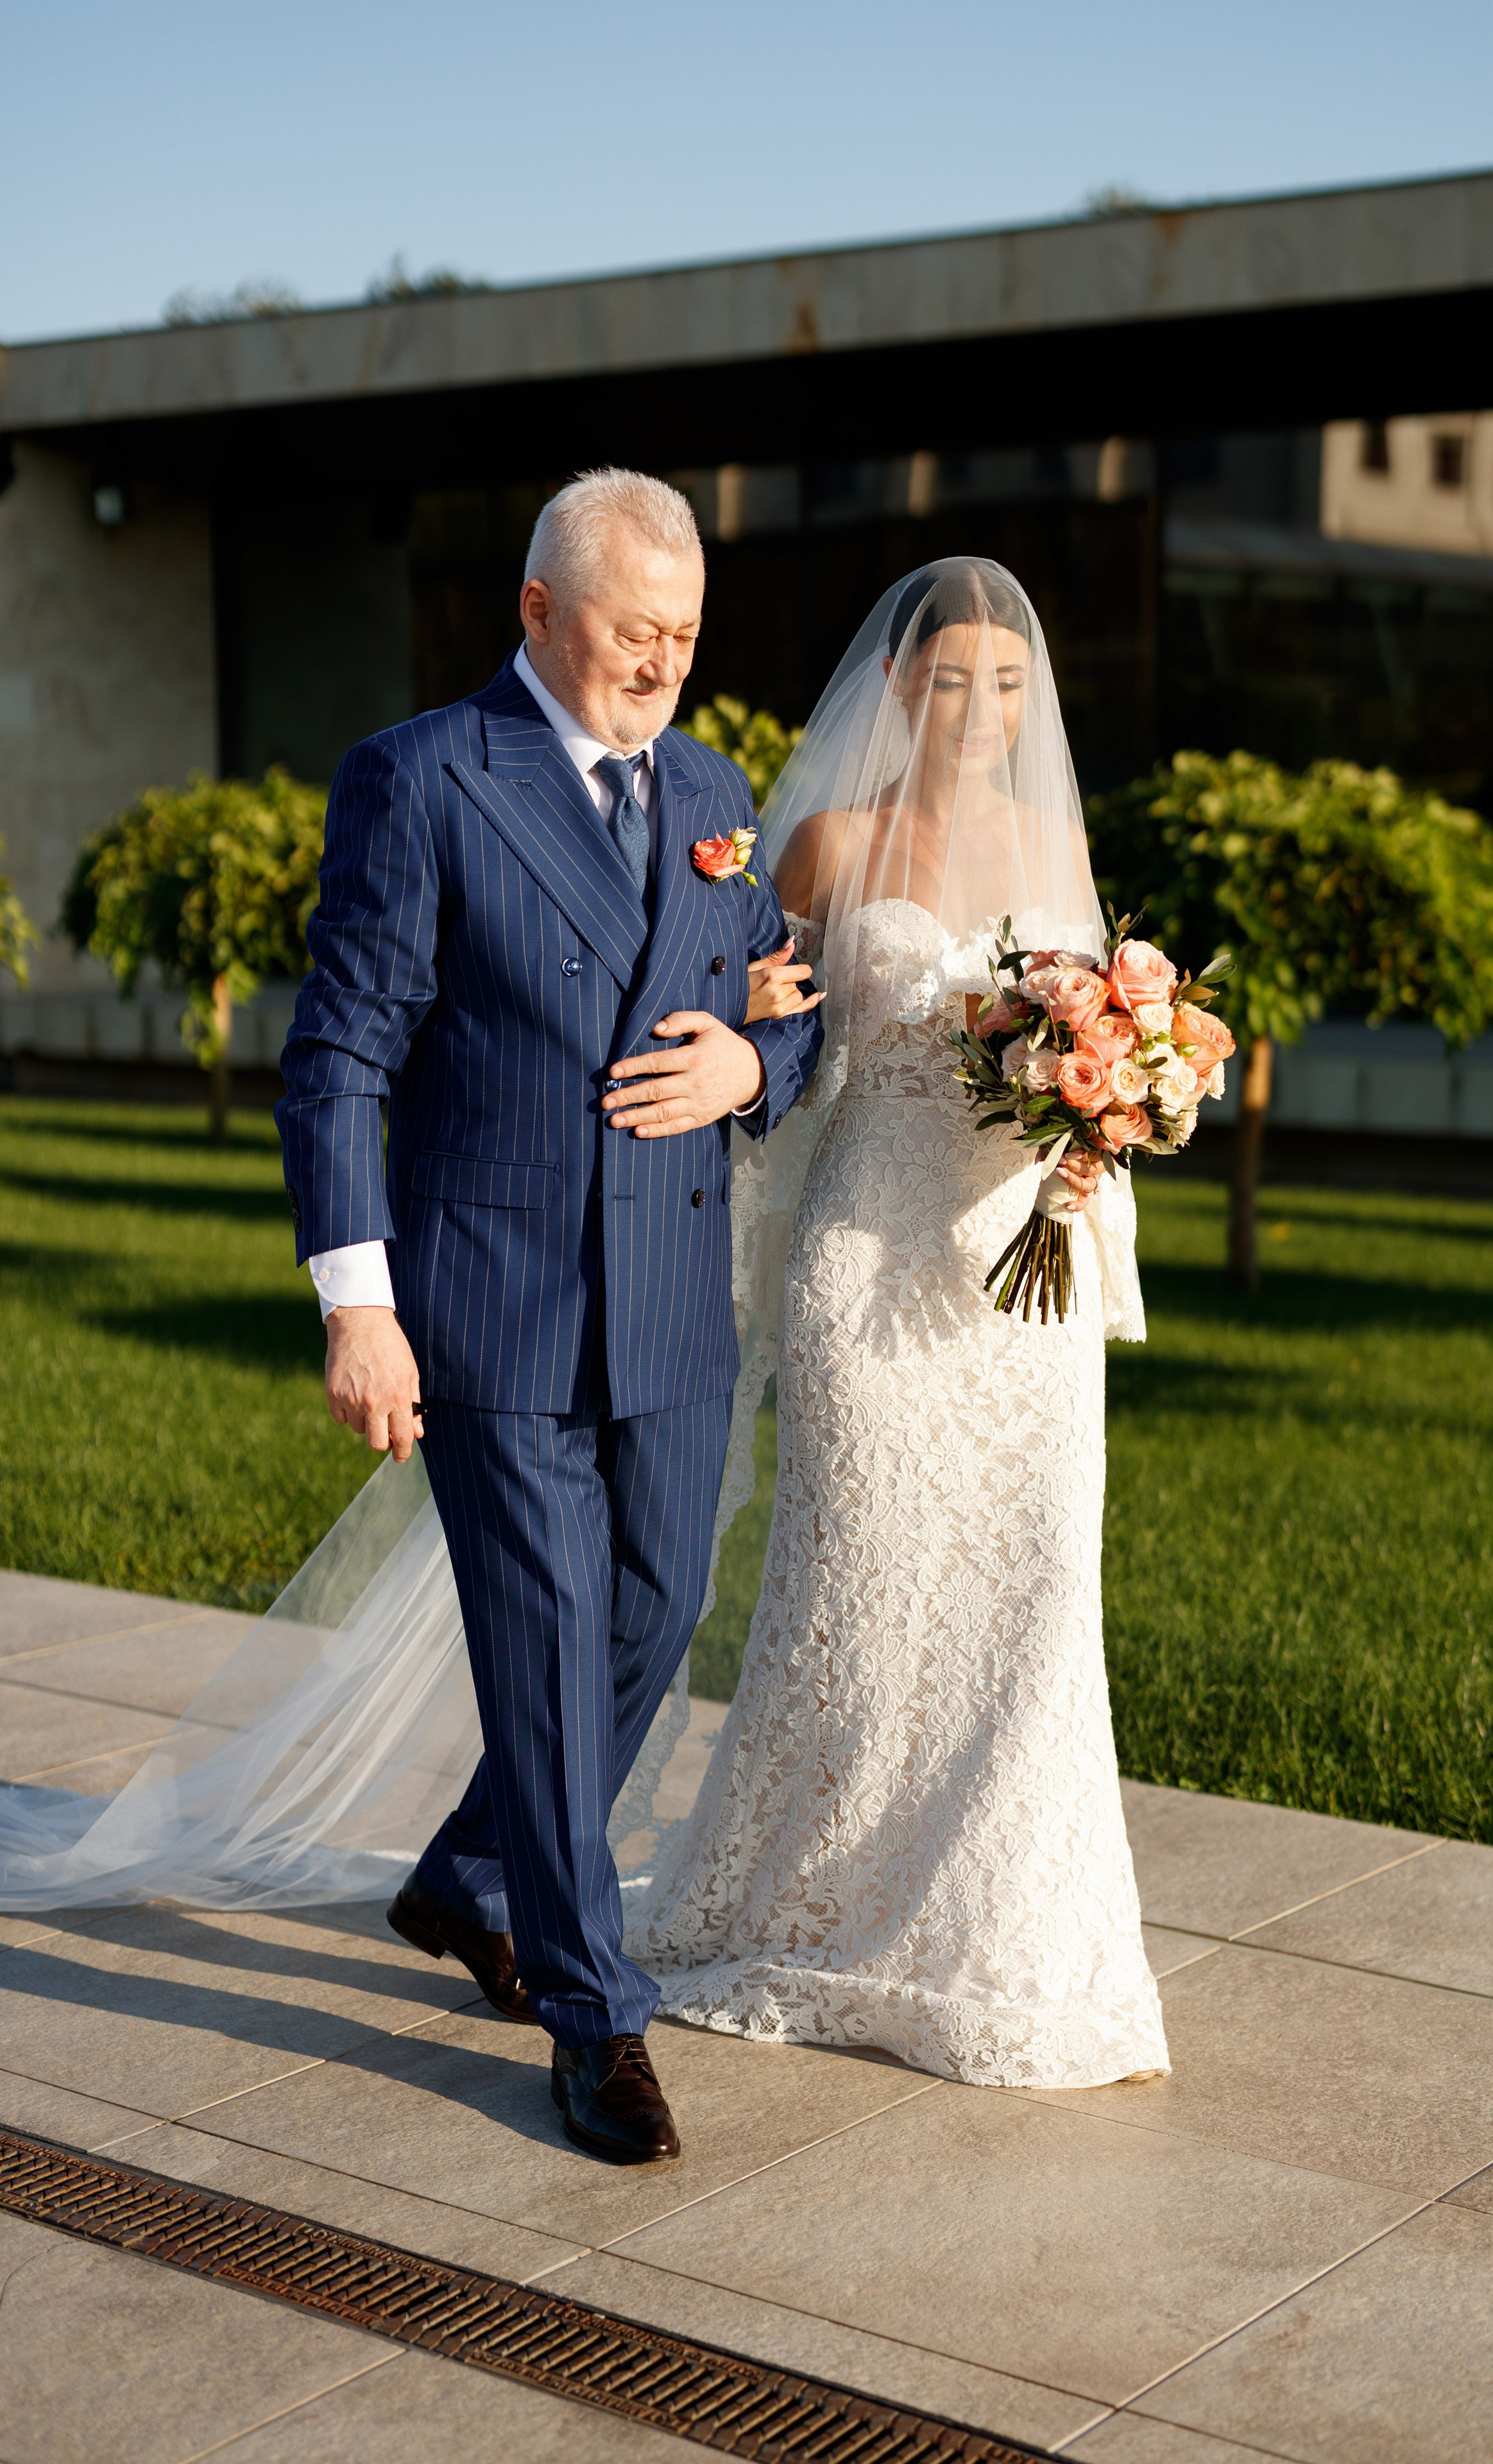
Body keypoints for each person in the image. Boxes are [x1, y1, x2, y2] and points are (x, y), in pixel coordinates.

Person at [277, 468, 824, 2163]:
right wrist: (358, 1308)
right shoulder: (427, 779)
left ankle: (462, 1872)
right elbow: (338, 1058)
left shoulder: (717, 786)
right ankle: (593, 2017)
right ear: (537, 614)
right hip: (494, 1305)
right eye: (633, 628)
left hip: (670, 1300)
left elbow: (780, 994)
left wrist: (753, 1061)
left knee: (652, 1617)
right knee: (542, 1651)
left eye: (686, 632)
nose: (664, 660)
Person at [624, 559, 1170, 2089]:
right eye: (950, 682)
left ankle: (993, 1935)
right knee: (854, 1577)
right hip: (864, 1248)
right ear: (898, 689)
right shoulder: (830, 838)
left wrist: (1112, 1101)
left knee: (1034, 1587)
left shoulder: (1055, 838)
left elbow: (1094, 1035)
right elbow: (766, 1019)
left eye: (1005, 684)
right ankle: (812, 1902)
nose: (980, 710)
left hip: (1018, 1270)